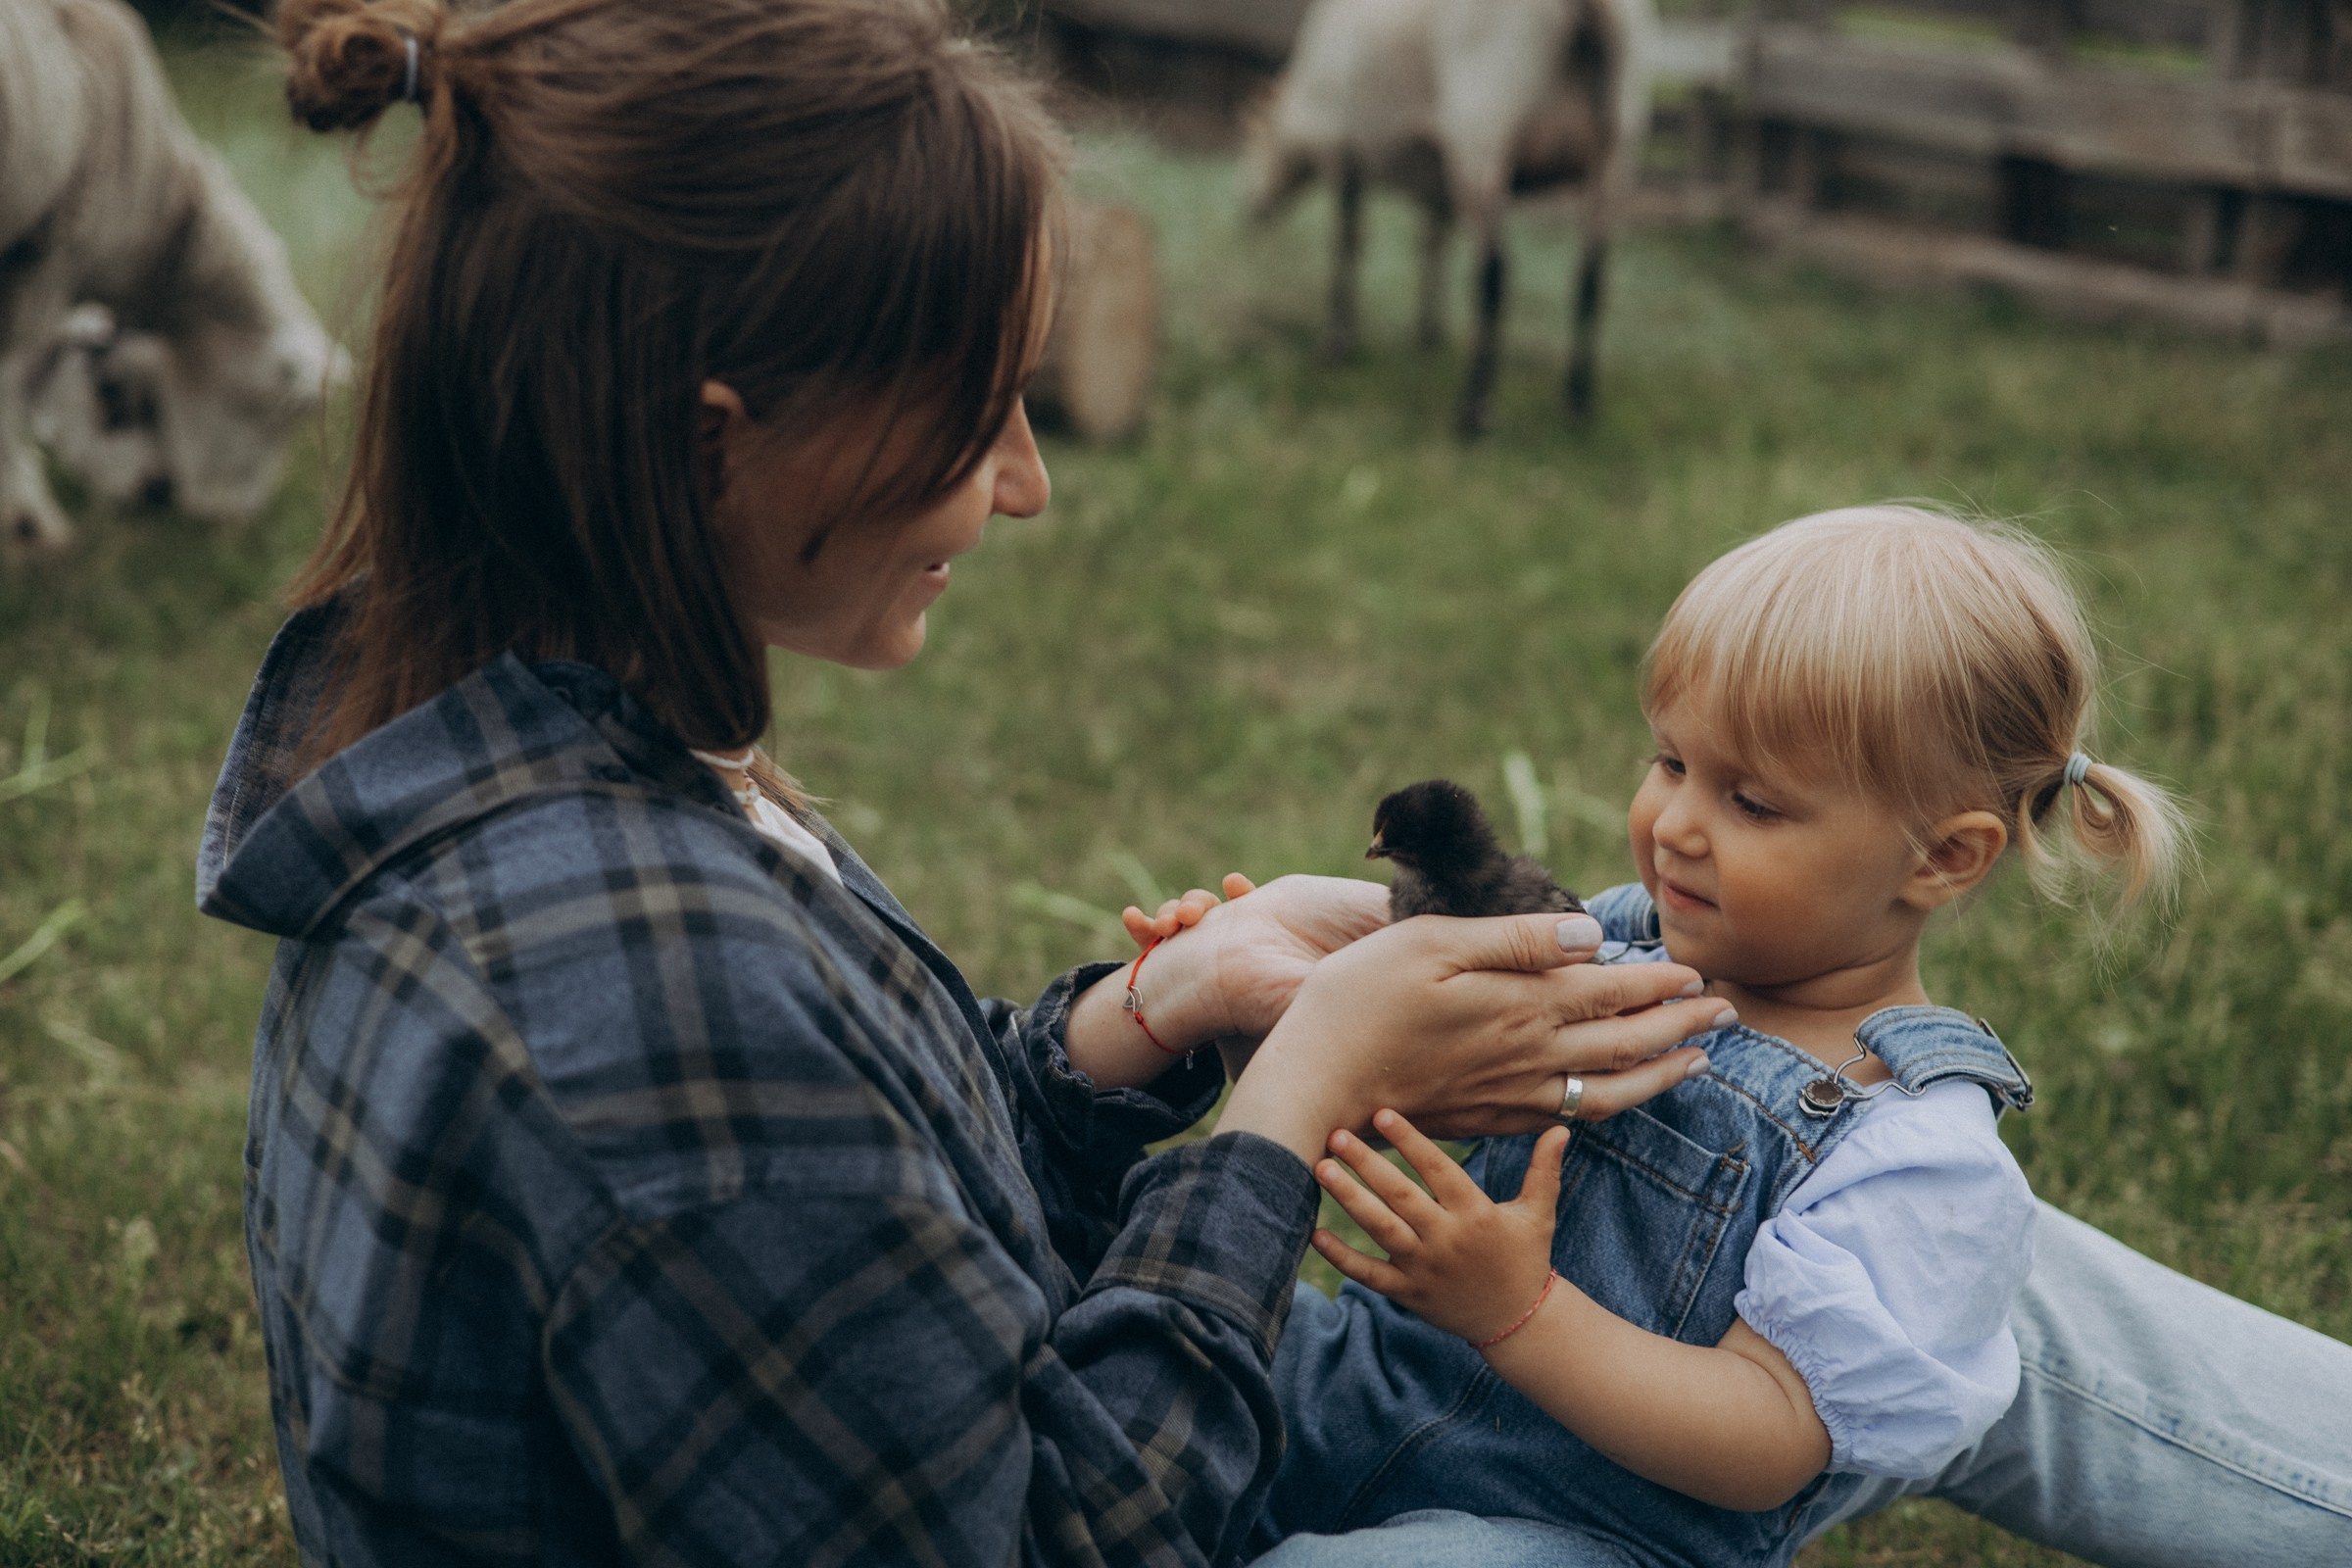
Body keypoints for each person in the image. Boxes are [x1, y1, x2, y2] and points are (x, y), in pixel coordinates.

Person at [199, 2, 2352, 1564]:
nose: (1030, 482)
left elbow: (875, 1203)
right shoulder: (625, 993)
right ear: (718, 437)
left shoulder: (561, 770)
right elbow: (1054, 1527)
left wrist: (1159, 1013)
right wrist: (1292, 1100)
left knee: (1899, 1216)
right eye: (980, 413)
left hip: (1186, 1419)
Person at [1243, 512, 2352, 1568]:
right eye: (1670, 763)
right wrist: (1278, 986)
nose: (1674, 824)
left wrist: (1520, 1311)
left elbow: (1771, 1440)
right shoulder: (1613, 948)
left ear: (1944, 859)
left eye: (1754, 804)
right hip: (1359, 1387)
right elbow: (1414, 1045)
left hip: (1570, 1533)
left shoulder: (1910, 1161)